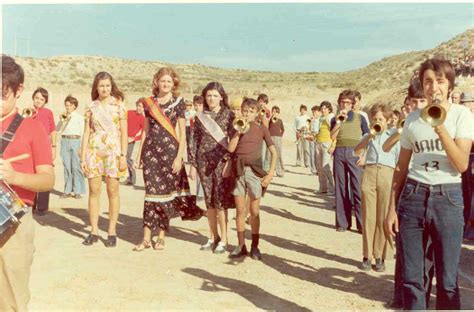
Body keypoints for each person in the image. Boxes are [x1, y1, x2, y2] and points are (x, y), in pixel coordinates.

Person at [385, 58, 474, 310]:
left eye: (440, 81)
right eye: (427, 81)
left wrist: (440, 127)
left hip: (447, 198)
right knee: (413, 279)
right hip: (413, 196)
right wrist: (392, 209)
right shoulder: (413, 120)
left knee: (447, 281)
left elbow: (461, 164)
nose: (433, 87)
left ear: (449, 85)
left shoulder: (462, 115)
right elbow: (401, 168)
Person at [0, 55, 55, 311]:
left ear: (18, 90)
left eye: (2, 95)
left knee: (12, 300)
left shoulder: (33, 129)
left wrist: (14, 177)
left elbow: (47, 180)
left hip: (14, 225)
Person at [133, 67, 204, 251]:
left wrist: (180, 157)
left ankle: (161, 236)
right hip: (151, 154)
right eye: (162, 81)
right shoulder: (148, 103)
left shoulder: (179, 103)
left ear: (174, 84)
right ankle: (146, 237)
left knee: (165, 195)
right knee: (150, 195)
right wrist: (139, 155)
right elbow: (145, 131)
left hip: (170, 154)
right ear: (157, 81)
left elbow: (182, 132)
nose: (165, 84)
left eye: (169, 82)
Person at [80, 72, 128, 247]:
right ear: (96, 87)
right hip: (94, 152)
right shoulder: (91, 107)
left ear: (112, 86)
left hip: (113, 153)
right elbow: (86, 132)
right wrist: (83, 155)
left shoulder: (119, 106)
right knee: (94, 191)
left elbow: (124, 132)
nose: (104, 89)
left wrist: (123, 155)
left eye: (107, 85)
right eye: (101, 86)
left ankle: (111, 231)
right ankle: (93, 231)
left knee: (113, 191)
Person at [228, 97, 277, 260]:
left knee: (254, 211)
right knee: (240, 210)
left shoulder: (262, 129)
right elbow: (231, 149)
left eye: (251, 111)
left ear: (257, 113)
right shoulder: (236, 127)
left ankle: (255, 246)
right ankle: (240, 245)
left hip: (255, 172)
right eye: (245, 111)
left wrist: (269, 174)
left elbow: (274, 152)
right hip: (239, 171)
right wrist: (237, 132)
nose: (247, 114)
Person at [188, 82, 235, 254]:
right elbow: (193, 141)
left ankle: (224, 239)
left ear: (221, 97)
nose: (212, 98)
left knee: (220, 201)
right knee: (209, 201)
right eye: (209, 95)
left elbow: (234, 139)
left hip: (221, 163)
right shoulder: (200, 116)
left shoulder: (229, 115)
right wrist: (193, 164)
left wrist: (230, 161)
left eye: (215, 95)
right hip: (204, 163)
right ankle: (213, 236)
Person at [354, 104, 399, 273]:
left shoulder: (394, 136)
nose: (377, 121)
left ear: (387, 121)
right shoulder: (368, 135)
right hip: (370, 172)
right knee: (368, 217)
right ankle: (367, 255)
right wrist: (369, 136)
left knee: (382, 217)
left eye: (381, 119)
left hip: (387, 173)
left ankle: (379, 256)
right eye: (375, 119)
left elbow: (399, 159)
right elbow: (357, 150)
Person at [330, 90, 369, 232]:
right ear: (339, 103)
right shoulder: (335, 118)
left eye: (348, 102)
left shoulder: (360, 118)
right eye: (342, 102)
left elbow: (367, 136)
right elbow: (332, 136)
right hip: (339, 152)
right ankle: (342, 223)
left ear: (352, 104)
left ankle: (362, 224)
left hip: (355, 152)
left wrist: (364, 155)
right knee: (341, 188)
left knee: (357, 188)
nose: (345, 105)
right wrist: (339, 122)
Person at [29, 87, 56, 216]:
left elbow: (53, 131)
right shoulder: (27, 111)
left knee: (45, 175)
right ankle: (31, 204)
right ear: (33, 98)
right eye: (37, 98)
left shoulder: (48, 113)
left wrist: (54, 147)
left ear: (45, 101)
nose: (39, 101)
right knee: (31, 176)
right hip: (30, 148)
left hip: (44, 148)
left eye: (42, 99)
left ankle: (42, 208)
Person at [57, 95, 85, 199]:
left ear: (74, 106)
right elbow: (58, 129)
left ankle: (78, 191)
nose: (67, 107)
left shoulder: (79, 117)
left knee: (76, 166)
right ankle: (67, 190)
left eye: (69, 105)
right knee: (67, 166)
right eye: (66, 105)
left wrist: (82, 147)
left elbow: (82, 132)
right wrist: (61, 120)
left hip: (75, 140)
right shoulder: (63, 116)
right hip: (65, 140)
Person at [315, 101, 335, 195]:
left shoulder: (331, 117)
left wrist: (333, 145)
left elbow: (335, 132)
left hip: (327, 143)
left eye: (325, 108)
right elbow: (319, 131)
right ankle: (323, 188)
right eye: (322, 108)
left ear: (329, 109)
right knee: (319, 167)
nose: (323, 110)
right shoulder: (321, 118)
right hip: (318, 142)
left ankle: (332, 189)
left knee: (326, 166)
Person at [126, 98, 145, 185]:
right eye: (139, 106)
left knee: (127, 159)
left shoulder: (143, 119)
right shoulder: (129, 113)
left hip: (130, 141)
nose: (140, 108)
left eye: (142, 107)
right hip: (122, 138)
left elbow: (143, 134)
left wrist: (133, 138)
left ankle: (132, 179)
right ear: (136, 105)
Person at [268, 106, 285, 177]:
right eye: (273, 111)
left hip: (278, 138)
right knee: (270, 155)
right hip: (270, 137)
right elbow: (267, 128)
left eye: (276, 112)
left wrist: (280, 136)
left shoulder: (280, 120)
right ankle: (270, 171)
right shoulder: (270, 120)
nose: (274, 113)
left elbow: (283, 129)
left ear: (278, 113)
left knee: (278, 154)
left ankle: (280, 171)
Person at [309, 105, 321, 175]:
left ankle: (319, 169)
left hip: (318, 136)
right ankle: (313, 170)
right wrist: (311, 122)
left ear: (319, 112)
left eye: (315, 112)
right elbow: (309, 128)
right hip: (312, 136)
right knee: (312, 153)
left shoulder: (321, 119)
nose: (314, 113)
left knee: (318, 154)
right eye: (313, 112)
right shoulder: (311, 120)